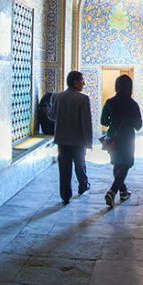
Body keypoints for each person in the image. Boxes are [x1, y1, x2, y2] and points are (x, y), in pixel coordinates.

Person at [47, 71, 93, 204]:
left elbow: (51, 116)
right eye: (82, 80)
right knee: (80, 165)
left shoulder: (57, 97)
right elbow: (86, 122)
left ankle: (65, 196)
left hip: (62, 140)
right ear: (75, 82)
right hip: (78, 141)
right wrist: (88, 142)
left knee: (64, 168)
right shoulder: (83, 98)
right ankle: (83, 186)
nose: (84, 83)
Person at [100, 74, 142, 208]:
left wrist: (114, 120)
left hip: (113, 137)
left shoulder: (110, 102)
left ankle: (123, 191)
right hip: (127, 137)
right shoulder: (133, 104)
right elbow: (139, 126)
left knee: (117, 163)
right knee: (125, 163)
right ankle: (112, 191)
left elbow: (103, 121)